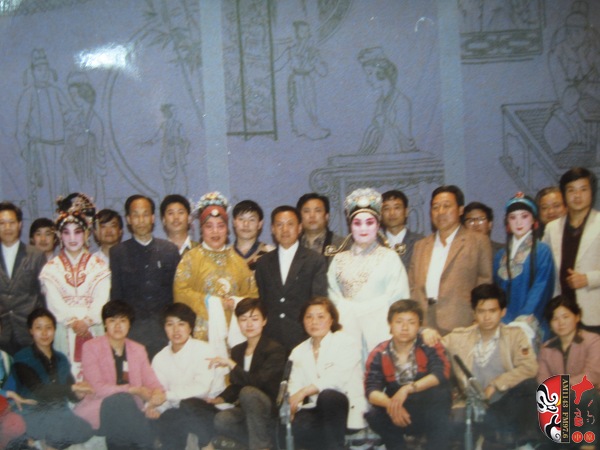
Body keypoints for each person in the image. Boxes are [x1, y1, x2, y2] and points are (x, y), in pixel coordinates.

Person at [443, 284, 538, 448]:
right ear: (474, 313)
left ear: (503, 312)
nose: (487, 317)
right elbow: (435, 345)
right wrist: (426, 332)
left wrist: (496, 384)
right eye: (481, 311)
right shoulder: (459, 337)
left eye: (492, 311)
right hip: (469, 404)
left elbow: (530, 368)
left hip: (504, 402)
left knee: (529, 385)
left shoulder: (515, 335)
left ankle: (521, 441)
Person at [173, 192, 257, 358]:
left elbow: (253, 296)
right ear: (201, 230)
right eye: (209, 226)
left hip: (233, 335)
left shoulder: (238, 262)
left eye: (220, 226)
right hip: (201, 335)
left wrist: (237, 302)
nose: (215, 231)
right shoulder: (191, 259)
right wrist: (214, 302)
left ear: (227, 229)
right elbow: (180, 293)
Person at [327, 188, 409, 356]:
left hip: (382, 331)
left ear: (378, 225)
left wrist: (365, 311)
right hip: (346, 330)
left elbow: (399, 299)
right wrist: (352, 313)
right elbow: (332, 298)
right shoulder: (338, 260)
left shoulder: (390, 258)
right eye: (357, 223)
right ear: (350, 226)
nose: (363, 228)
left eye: (369, 222)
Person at [74, 300, 165, 450]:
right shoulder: (91, 347)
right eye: (112, 321)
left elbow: (153, 383)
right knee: (122, 401)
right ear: (105, 324)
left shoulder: (138, 349)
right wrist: (133, 390)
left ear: (129, 324)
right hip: (100, 408)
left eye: (122, 321)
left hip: (130, 413)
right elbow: (98, 388)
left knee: (124, 422)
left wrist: (156, 395)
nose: (117, 326)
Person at [40, 193, 111, 380]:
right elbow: (54, 302)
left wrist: (87, 321)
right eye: (66, 232)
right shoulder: (51, 268)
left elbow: (102, 299)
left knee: (96, 377)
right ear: (59, 235)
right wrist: (73, 322)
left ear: (86, 233)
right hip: (64, 329)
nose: (72, 238)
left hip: (93, 327)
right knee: (67, 379)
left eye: (77, 232)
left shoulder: (99, 266)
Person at [365, 300, 451, 450]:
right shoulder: (379, 352)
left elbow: (441, 373)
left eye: (411, 322)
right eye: (399, 322)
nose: (404, 328)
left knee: (441, 394)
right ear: (390, 325)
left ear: (419, 326)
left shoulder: (428, 344)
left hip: (426, 406)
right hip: (399, 409)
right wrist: (392, 405)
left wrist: (407, 389)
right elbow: (371, 390)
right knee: (374, 414)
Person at [409, 185, 493, 334]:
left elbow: (484, 283)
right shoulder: (420, 246)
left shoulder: (478, 241)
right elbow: (412, 286)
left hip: (460, 321)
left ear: (460, 210)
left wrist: (477, 318)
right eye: (435, 207)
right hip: (424, 323)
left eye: (446, 206)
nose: (440, 212)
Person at [287, 297, 367, 450]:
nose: (314, 322)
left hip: (346, 408)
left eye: (320, 317)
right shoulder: (298, 351)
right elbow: (294, 384)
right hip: (316, 411)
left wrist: (304, 392)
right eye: (309, 317)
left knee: (328, 396)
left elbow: (336, 379)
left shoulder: (346, 342)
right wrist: (292, 406)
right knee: (297, 424)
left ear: (331, 320)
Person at [110, 194, 180, 358]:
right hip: (133, 330)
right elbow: (116, 296)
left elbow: (177, 292)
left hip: (164, 329)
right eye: (136, 215)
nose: (141, 220)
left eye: (145, 214)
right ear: (128, 219)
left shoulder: (169, 250)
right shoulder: (118, 252)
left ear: (153, 218)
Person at [13, 308, 94, 449]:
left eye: (48, 328)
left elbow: (71, 395)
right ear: (31, 331)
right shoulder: (22, 357)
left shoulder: (61, 358)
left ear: (55, 330)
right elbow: (40, 391)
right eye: (39, 328)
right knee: (57, 433)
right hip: (34, 411)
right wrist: (72, 387)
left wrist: (79, 394)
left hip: (59, 411)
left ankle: (41, 441)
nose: (44, 333)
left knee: (85, 431)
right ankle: (41, 441)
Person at [212, 298, 286, 450]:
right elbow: (236, 385)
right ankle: (257, 442)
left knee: (249, 392)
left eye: (254, 319)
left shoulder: (275, 349)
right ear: (238, 323)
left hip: (268, 408)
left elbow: (258, 382)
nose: (249, 324)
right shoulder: (237, 350)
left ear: (264, 321)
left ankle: (262, 447)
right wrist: (220, 399)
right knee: (222, 419)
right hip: (246, 409)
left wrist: (232, 364)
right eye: (243, 319)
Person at [151, 303, 225, 450]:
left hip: (208, 408)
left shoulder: (204, 350)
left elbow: (201, 390)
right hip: (180, 411)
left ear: (190, 328)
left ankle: (206, 445)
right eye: (170, 324)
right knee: (168, 416)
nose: (176, 330)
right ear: (164, 328)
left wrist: (167, 396)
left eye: (181, 324)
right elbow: (161, 393)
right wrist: (155, 408)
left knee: (188, 405)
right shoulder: (160, 358)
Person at [255, 206, 328, 353]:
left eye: (290, 224)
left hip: (303, 337)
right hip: (271, 339)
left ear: (299, 227)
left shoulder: (314, 260)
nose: (285, 229)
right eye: (279, 224)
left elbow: (318, 300)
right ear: (272, 229)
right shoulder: (263, 262)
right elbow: (262, 301)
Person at [543, 167, 600, 332]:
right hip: (561, 314)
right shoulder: (552, 228)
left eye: (583, 189)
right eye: (571, 190)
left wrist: (588, 279)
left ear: (592, 192)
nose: (577, 195)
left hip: (594, 313)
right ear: (564, 194)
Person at [537, 295, 600, 441]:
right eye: (555, 319)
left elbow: (593, 375)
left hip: (590, 399)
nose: (561, 323)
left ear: (577, 317)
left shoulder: (593, 341)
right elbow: (542, 379)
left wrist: (562, 386)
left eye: (565, 317)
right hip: (559, 401)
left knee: (584, 393)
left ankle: (588, 444)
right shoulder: (546, 348)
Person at [493, 193, 555, 340]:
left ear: (534, 219)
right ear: (507, 222)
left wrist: (524, 318)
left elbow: (541, 287)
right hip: (503, 320)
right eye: (513, 217)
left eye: (524, 216)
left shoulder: (542, 251)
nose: (518, 222)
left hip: (530, 320)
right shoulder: (500, 255)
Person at [0, 201, 46, 354]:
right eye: (2, 223)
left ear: (20, 225)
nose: (7, 228)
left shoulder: (36, 255)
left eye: (11, 223)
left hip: (29, 332)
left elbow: (42, 296)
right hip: (2, 333)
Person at [380, 189, 423, 269]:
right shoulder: (375, 244)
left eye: (397, 208)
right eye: (386, 209)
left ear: (406, 212)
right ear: (380, 213)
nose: (392, 213)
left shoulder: (420, 242)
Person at [296, 193, 343, 261]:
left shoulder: (342, 245)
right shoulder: (292, 245)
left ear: (326, 216)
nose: (312, 215)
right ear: (299, 217)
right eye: (306, 211)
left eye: (318, 211)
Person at [232, 200, 274, 271]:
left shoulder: (271, 254)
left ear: (260, 224)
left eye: (251, 220)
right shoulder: (225, 254)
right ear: (234, 222)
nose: (246, 224)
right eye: (241, 219)